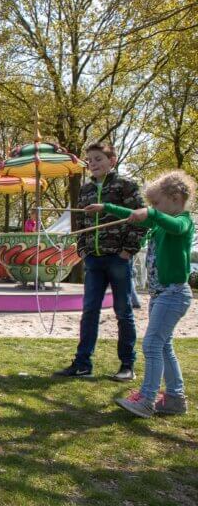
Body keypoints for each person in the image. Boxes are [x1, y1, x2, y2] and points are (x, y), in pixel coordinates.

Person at [86, 170, 195, 418]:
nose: (152, 207)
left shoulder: (183, 221)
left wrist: (152, 213)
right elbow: (133, 216)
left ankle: (147, 400)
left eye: (156, 203)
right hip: (160, 295)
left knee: (152, 344)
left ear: (176, 198)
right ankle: (175, 399)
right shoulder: (159, 221)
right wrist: (106, 207)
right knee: (164, 346)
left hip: (174, 293)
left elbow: (175, 226)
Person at [54, 143, 147, 381]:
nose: (93, 163)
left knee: (123, 312)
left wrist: (128, 250)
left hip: (118, 258)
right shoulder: (85, 190)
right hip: (93, 260)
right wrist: (83, 249)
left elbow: (142, 219)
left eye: (98, 159)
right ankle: (82, 363)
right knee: (89, 311)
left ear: (111, 160)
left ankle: (127, 365)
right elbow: (81, 223)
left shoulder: (125, 185)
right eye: (90, 160)